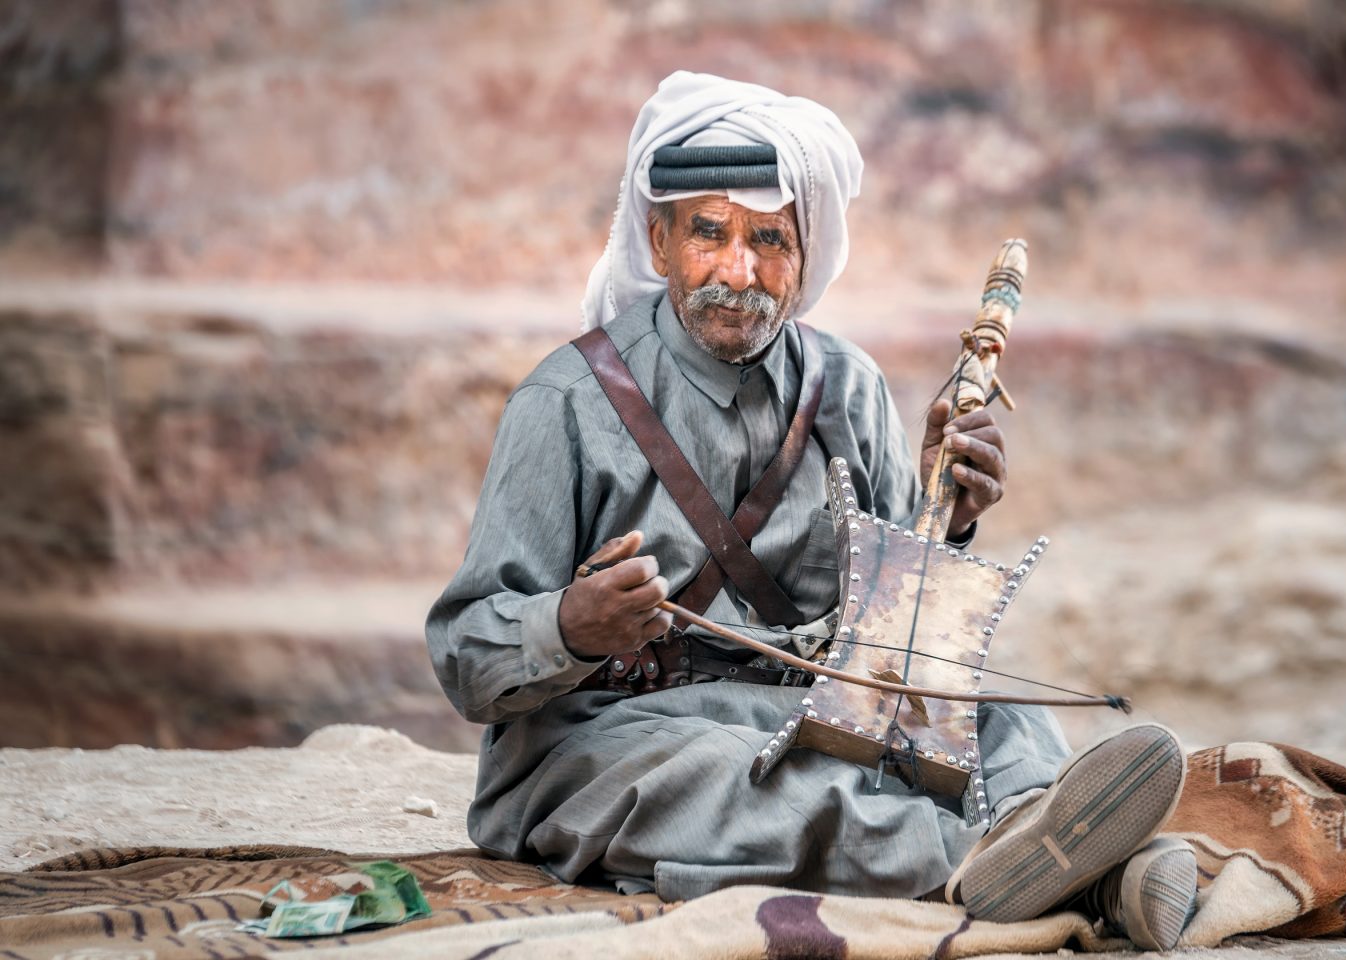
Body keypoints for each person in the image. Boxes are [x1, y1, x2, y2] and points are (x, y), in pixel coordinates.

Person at [427, 71, 1197, 950]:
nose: (738, 271)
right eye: (709, 234)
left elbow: (900, 642)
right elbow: (466, 661)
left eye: (771, 240)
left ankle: (1049, 838)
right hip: (615, 739)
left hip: (825, 711)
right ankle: (1035, 865)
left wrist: (953, 515)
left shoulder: (849, 389)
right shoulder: (563, 403)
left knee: (1000, 711)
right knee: (739, 781)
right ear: (660, 238)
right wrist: (571, 623)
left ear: (805, 253)